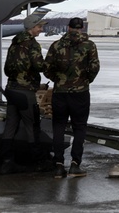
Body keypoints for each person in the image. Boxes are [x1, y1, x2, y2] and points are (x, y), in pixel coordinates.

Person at [45, 17, 100, 178]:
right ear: (81, 28)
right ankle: (75, 164)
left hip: (60, 92)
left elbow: (47, 68)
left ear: (68, 28)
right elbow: (94, 67)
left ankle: (58, 165)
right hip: (80, 93)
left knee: (59, 127)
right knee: (80, 127)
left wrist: (58, 80)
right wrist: (86, 80)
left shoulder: (56, 45)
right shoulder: (89, 45)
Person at [0, 13, 48, 174]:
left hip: (11, 89)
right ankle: (39, 162)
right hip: (25, 92)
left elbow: (8, 68)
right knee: (32, 126)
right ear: (32, 27)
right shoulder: (32, 44)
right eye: (39, 26)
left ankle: (7, 161)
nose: (41, 29)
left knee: (10, 126)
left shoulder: (15, 43)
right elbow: (39, 65)